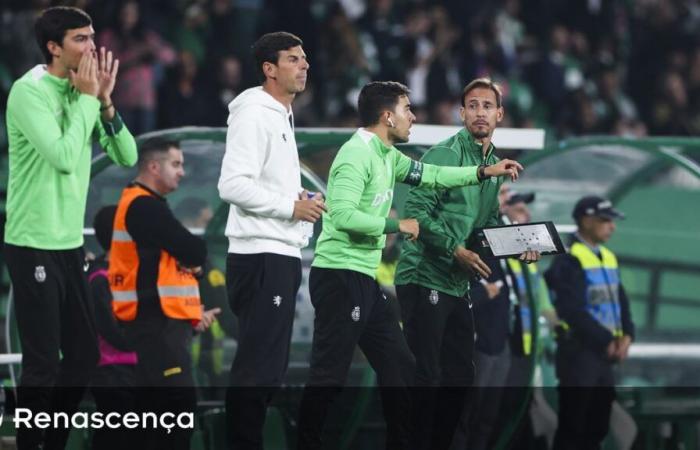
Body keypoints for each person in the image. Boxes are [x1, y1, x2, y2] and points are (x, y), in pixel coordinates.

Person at [296, 80, 524, 450]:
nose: (413, 117)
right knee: (329, 377)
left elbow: (432, 176)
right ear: (388, 116)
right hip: (339, 275)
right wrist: (396, 225)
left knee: (402, 371)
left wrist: (484, 173)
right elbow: (340, 216)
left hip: (366, 280)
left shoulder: (388, 155)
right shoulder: (356, 154)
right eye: (407, 110)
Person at [3, 6, 137, 449]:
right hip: (31, 243)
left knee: (82, 354)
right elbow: (62, 158)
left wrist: (106, 103)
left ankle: (51, 442)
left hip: (67, 245)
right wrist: (85, 99)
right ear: (53, 47)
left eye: (92, 36)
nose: (92, 47)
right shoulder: (29, 91)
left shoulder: (85, 92)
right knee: (42, 363)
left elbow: (127, 157)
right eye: (80, 39)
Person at [393, 78, 537, 450]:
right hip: (424, 276)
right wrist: (455, 250)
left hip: (455, 283)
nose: (479, 112)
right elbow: (416, 214)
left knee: (460, 375)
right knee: (427, 375)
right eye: (472, 105)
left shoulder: (493, 164)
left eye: (487, 106)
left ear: (499, 114)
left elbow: (485, 228)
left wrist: (517, 246)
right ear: (461, 113)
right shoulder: (443, 155)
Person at [216, 31, 326, 450]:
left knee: (269, 370)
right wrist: (288, 207)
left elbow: (263, 183)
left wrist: (298, 199)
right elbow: (232, 185)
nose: (304, 65)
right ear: (269, 68)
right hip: (260, 253)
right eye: (293, 59)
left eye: (305, 58)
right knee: (257, 370)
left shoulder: (280, 113)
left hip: (277, 251)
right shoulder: (254, 113)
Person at [108, 138, 219, 449]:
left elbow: (186, 251)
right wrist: (192, 259)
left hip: (160, 324)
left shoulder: (147, 204)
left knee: (157, 414)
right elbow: (194, 249)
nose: (182, 172)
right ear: (153, 167)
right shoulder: (143, 206)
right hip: (156, 325)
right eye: (176, 164)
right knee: (176, 411)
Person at [545, 196, 635, 450]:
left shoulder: (607, 256)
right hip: (580, 354)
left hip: (605, 356)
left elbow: (621, 300)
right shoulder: (568, 259)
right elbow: (571, 310)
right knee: (574, 427)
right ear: (586, 220)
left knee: (597, 426)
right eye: (605, 220)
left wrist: (627, 334)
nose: (612, 226)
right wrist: (607, 341)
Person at [87, 205, 138, 450]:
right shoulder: (100, 280)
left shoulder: (134, 275)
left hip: (138, 373)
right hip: (112, 375)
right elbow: (114, 332)